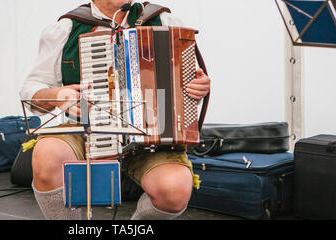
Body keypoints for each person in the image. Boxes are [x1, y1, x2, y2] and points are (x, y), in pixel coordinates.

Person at [20, 0, 211, 220]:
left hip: (152, 137)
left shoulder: (164, 21)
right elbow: (31, 88)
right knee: (47, 154)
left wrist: (199, 87)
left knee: (175, 188)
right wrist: (57, 95)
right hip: (86, 131)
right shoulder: (67, 28)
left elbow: (186, 82)